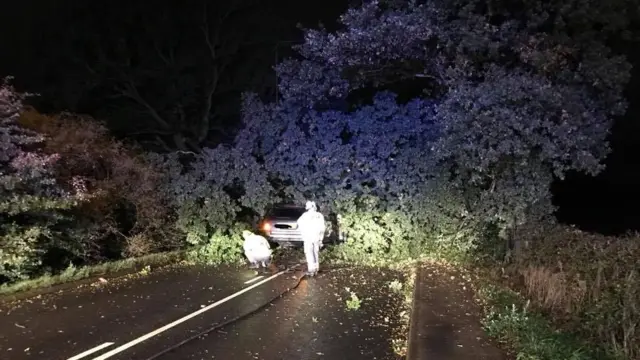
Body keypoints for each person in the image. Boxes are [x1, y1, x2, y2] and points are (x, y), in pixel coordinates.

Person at [297, 201, 326, 277]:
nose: (306, 206)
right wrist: (321, 239)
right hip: (316, 237)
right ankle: (316, 268)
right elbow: (322, 228)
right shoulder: (319, 215)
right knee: (315, 252)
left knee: (309, 253)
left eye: (307, 205)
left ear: (310, 206)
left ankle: (311, 270)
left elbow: (299, 223)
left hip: (308, 237)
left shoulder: (305, 215)